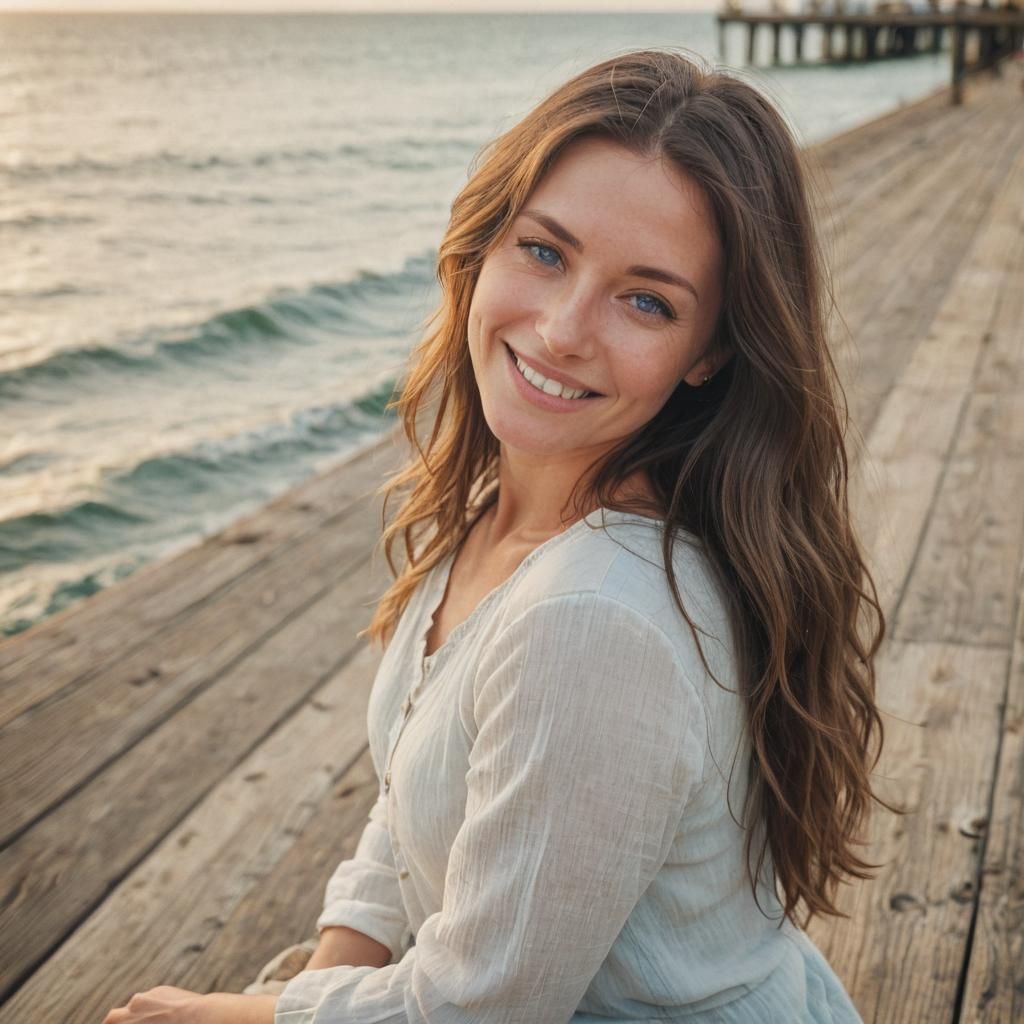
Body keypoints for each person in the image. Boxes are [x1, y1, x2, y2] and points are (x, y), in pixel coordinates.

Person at [103, 46, 891, 1024]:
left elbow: (480, 1011)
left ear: (710, 352)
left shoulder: (597, 619)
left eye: (646, 300)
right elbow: (409, 800)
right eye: (545, 250)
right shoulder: (507, 509)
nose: (563, 329)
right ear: (484, 244)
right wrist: (315, 977)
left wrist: (228, 1014)